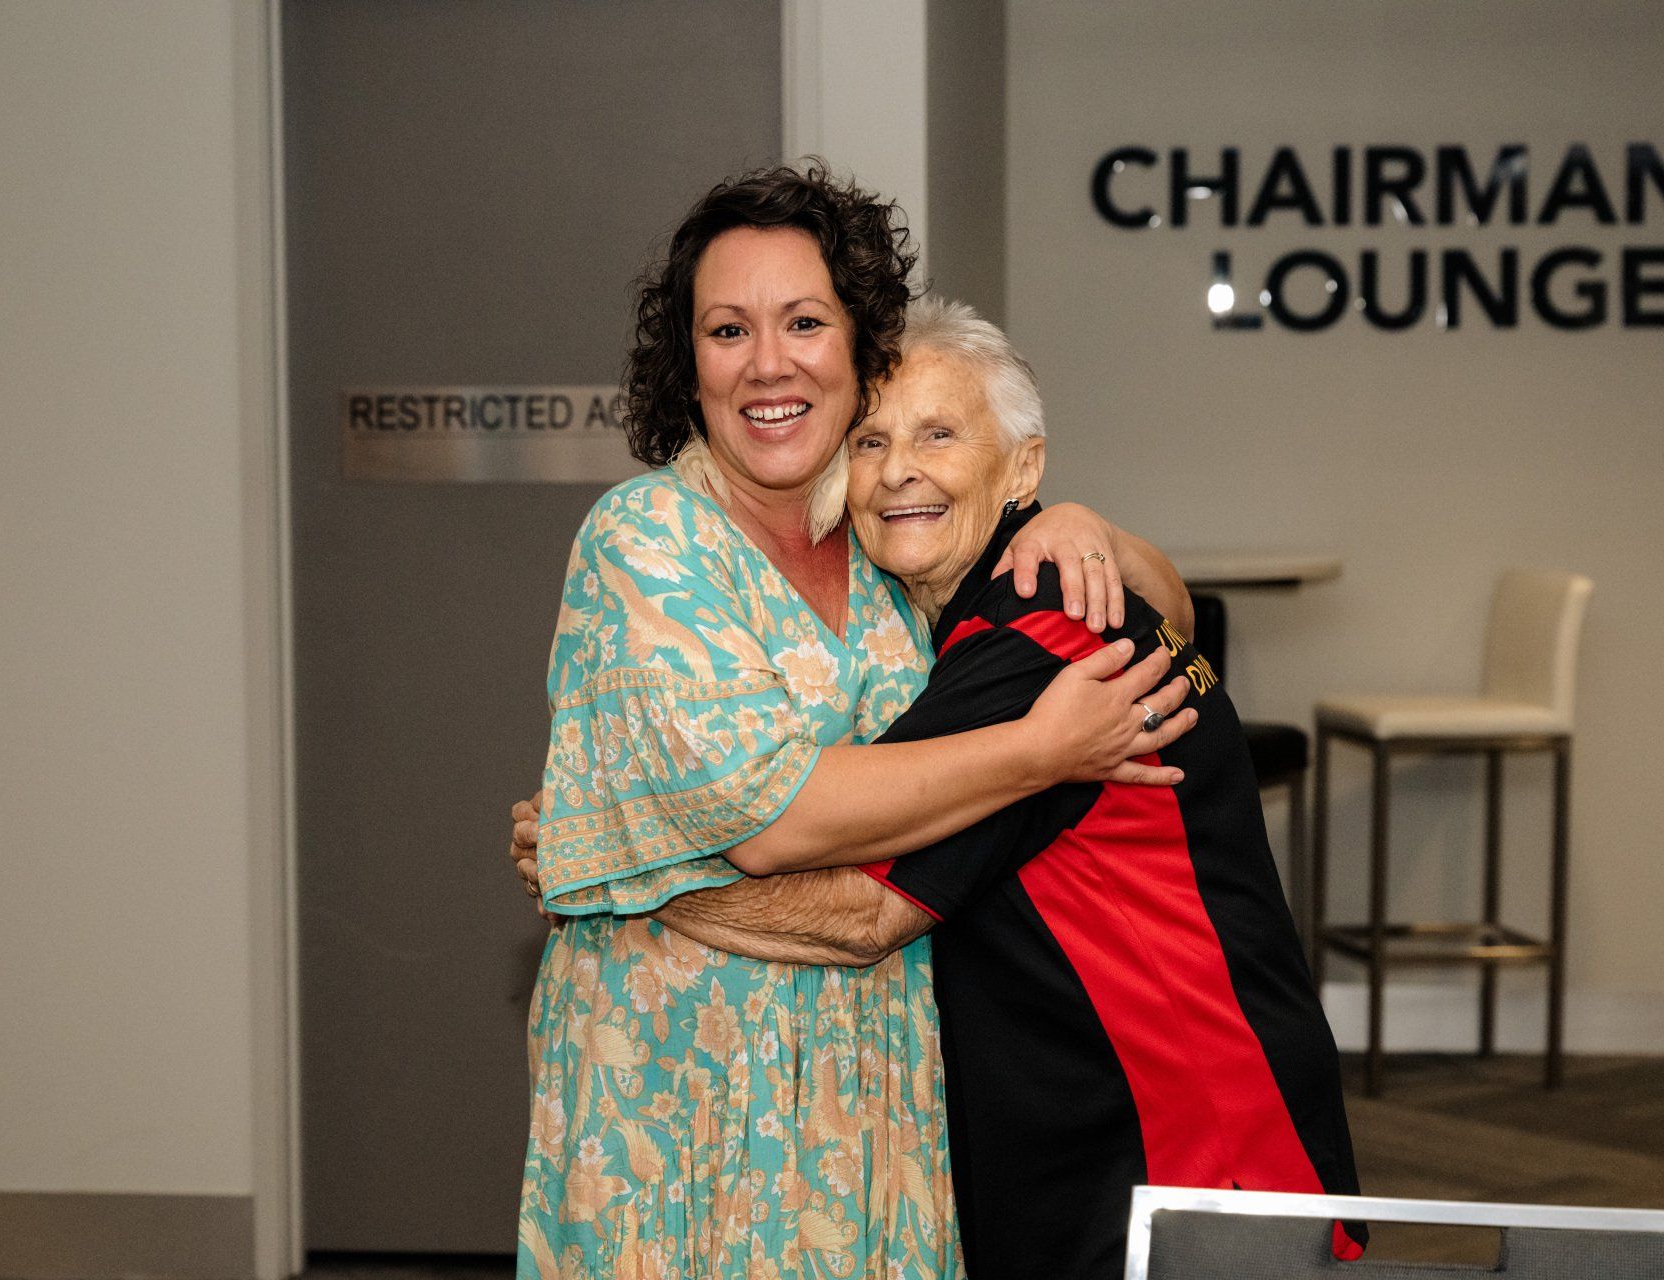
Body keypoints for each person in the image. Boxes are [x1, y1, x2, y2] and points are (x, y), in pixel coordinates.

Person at [518, 298, 1364, 1279]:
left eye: (939, 433)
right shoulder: (998, 613)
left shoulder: (1035, 649)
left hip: (1189, 1155)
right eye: (871, 438)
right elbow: (1161, 600)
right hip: (1139, 1128)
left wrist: (614, 866)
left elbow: (862, 912)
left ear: (1024, 467)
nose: (900, 468)